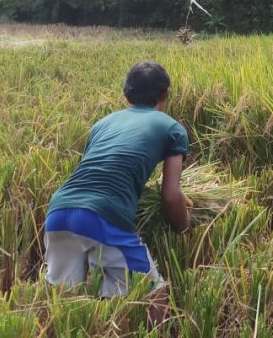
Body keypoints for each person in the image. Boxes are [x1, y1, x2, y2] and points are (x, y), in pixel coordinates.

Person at [44, 61, 190, 328]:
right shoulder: (171, 128)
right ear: (166, 94)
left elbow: (99, 169)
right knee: (152, 294)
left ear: (126, 95)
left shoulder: (102, 123)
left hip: (59, 211)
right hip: (102, 216)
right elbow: (170, 195)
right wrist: (184, 228)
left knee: (65, 304)